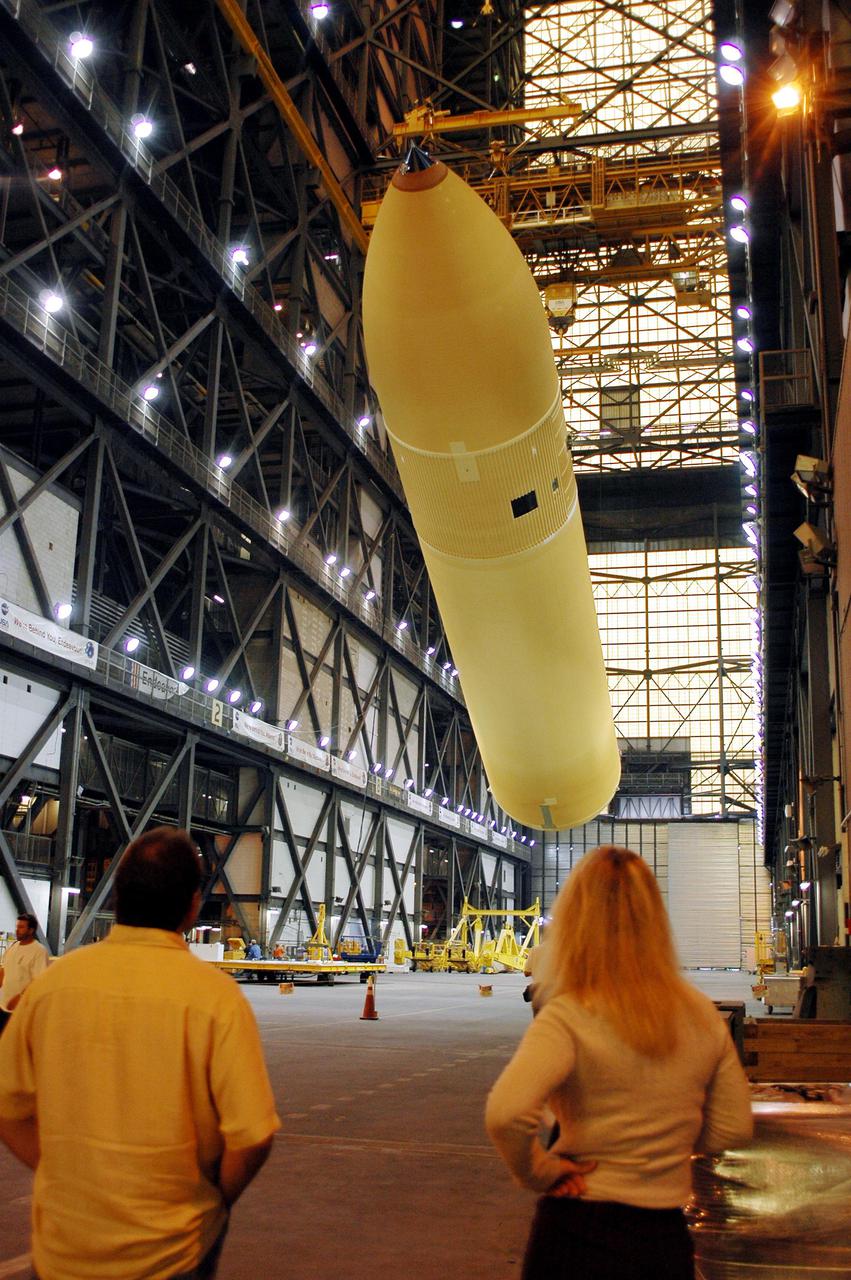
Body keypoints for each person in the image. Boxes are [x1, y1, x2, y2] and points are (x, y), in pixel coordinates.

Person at [0, 826, 280, 1280]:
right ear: (192, 905)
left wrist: (62, 1174)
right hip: (173, 1254)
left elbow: (7, 1107)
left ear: (117, 896)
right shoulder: (214, 998)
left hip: (63, 1252)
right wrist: (214, 1199)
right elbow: (253, 1136)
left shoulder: (52, 986)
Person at [486, 844, 753, 1280]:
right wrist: (660, 1150)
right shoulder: (701, 1014)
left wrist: (542, 1171)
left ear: (575, 919)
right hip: (663, 1237)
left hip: (579, 1232)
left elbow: (506, 1113)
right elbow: (734, 1126)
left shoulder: (570, 1013)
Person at [0, 912, 49, 1035]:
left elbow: (39, 981)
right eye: (17, 927)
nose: (17, 930)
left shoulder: (38, 951)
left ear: (31, 930)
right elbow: (4, 970)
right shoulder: (13, 947)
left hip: (21, 1009)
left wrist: (20, 997)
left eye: (21, 927)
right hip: (3, 1005)